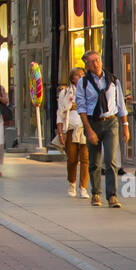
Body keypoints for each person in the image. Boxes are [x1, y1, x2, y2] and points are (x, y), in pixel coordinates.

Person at [75, 52, 129, 208]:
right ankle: (96, 193)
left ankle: (112, 195)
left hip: (111, 121)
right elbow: (81, 107)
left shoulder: (113, 80)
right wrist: (89, 130)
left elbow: (121, 105)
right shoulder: (83, 83)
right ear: (87, 66)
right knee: (94, 160)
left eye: (97, 60)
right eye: (91, 62)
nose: (96, 64)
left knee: (110, 160)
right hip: (93, 122)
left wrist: (125, 126)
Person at [57, 68, 89, 199]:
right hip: (71, 128)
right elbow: (60, 113)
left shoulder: (89, 91)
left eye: (82, 75)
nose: (80, 77)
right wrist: (60, 133)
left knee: (86, 159)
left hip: (85, 128)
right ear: (72, 78)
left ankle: (83, 187)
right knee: (72, 159)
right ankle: (72, 183)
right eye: (77, 75)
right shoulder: (65, 92)